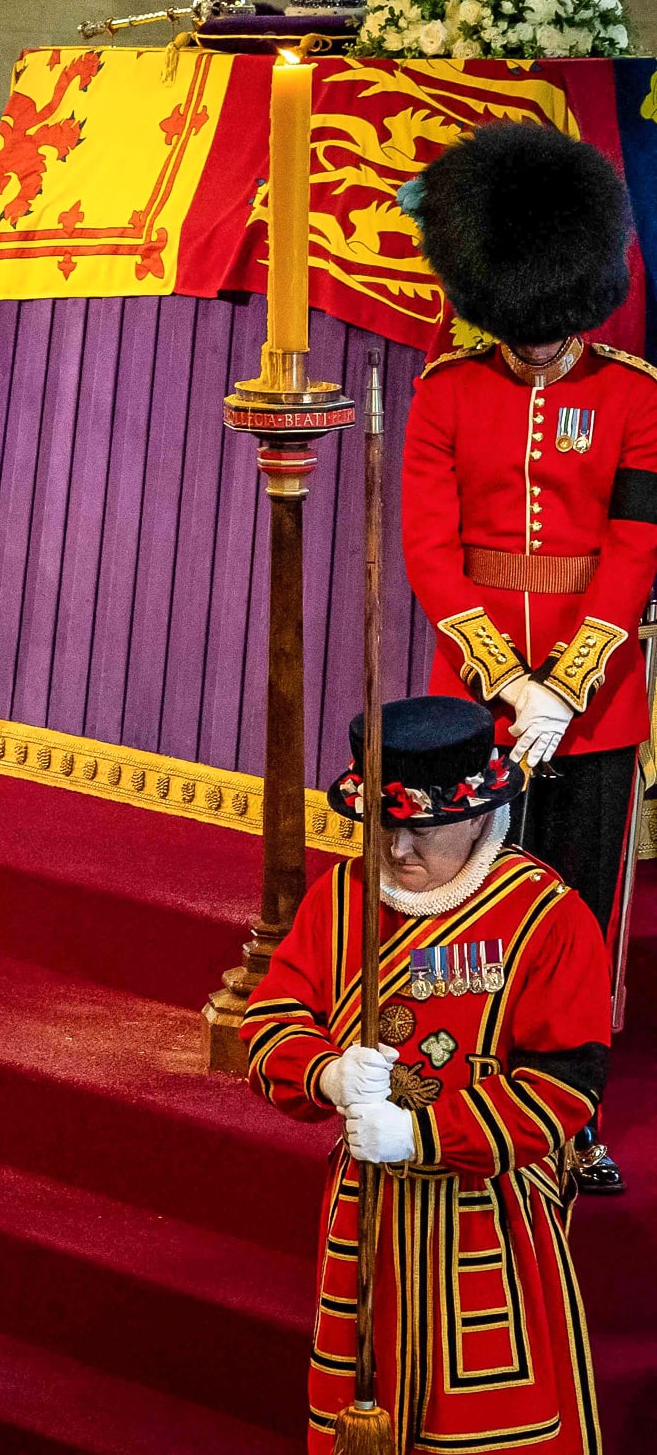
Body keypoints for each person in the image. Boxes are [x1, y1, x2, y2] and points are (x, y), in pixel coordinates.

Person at [398, 120, 657, 1199]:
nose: (542, 345)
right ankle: (483, 1089)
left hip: (594, 708)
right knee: (482, 906)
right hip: (481, 702)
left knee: (581, 912)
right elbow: (428, 546)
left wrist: (572, 680)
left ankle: (573, 1114)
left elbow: (638, 543)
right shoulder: (446, 390)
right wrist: (505, 680)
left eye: (554, 330)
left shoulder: (636, 394)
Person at [245, 695, 607, 1454]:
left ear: (479, 814)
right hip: (365, 1218)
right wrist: (328, 1074)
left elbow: (563, 1091)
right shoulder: (339, 899)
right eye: (383, 825)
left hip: (486, 1221)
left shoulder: (547, 916)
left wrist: (422, 1133)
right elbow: (270, 1022)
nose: (399, 849)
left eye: (423, 826)